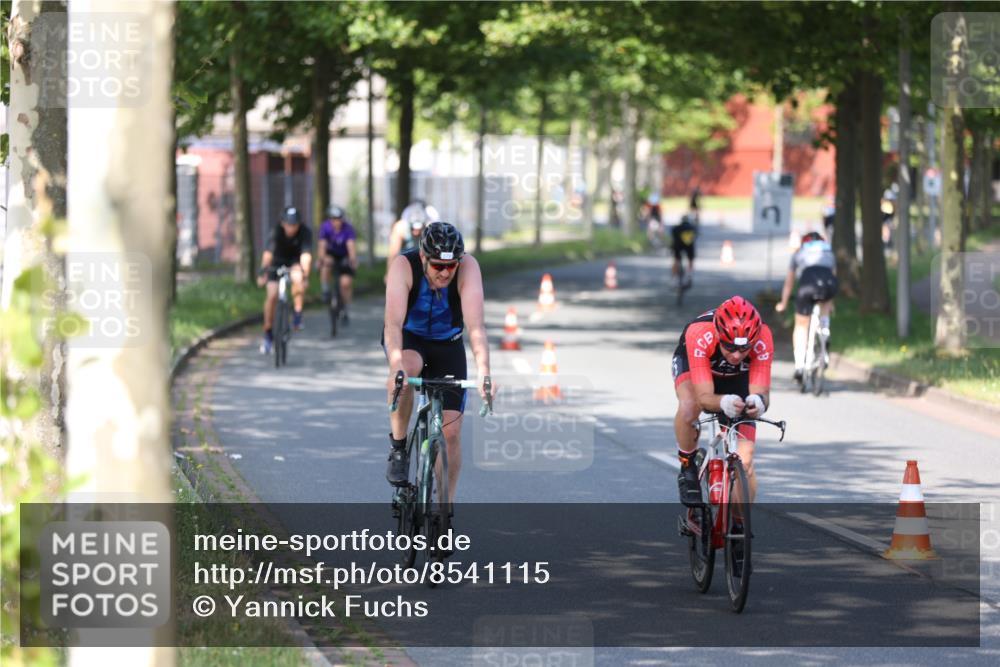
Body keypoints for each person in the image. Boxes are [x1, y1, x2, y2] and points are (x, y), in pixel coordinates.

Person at [383, 222, 493, 505]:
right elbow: (393, 324)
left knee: (452, 432)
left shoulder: (468, 267)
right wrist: (396, 365)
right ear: (423, 258)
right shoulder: (404, 265)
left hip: (448, 344)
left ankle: (445, 508)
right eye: (437, 266)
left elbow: (476, 327)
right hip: (410, 338)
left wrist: (485, 372)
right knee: (406, 372)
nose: (445, 273)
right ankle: (398, 447)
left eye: (451, 266)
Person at [672, 296, 774, 506]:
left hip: (737, 377)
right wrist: (725, 403)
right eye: (730, 347)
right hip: (698, 368)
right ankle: (688, 466)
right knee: (690, 406)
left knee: (745, 459)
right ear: (719, 335)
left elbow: (762, 393)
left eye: (744, 349)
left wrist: (758, 402)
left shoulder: (763, 337)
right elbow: (704, 398)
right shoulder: (700, 333)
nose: (737, 355)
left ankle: (737, 522)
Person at [775, 231, 838, 384]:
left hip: (808, 282)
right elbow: (833, 276)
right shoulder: (829, 252)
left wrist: (783, 303)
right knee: (824, 311)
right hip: (828, 283)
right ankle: (825, 331)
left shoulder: (799, 252)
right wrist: (831, 304)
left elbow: (789, 283)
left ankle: (799, 366)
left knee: (801, 325)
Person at [257, 206, 313, 353]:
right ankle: (268, 333)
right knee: (272, 296)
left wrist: (305, 275)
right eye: (289, 224)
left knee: (298, 278)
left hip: (294, 262)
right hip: (276, 263)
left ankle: (298, 314)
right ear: (283, 223)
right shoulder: (276, 232)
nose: (292, 228)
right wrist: (263, 272)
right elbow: (268, 253)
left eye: (295, 224)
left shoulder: (305, 232)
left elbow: (306, 256)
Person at [318, 205, 358, 333]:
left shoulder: (348, 229)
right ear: (330, 219)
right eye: (334, 219)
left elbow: (351, 246)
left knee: (345, 283)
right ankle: (325, 290)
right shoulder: (325, 227)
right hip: (331, 255)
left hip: (344, 256)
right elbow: (322, 246)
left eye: (339, 219)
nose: (337, 221)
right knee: (325, 266)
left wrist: (352, 260)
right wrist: (322, 258)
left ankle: (345, 307)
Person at [386, 200, 440, 273]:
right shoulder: (400, 228)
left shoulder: (432, 229)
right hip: (405, 259)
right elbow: (393, 253)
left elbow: (437, 253)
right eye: (413, 228)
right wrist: (389, 273)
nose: (416, 232)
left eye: (419, 229)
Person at [670, 212, 698, 285]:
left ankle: (674, 278)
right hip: (688, 246)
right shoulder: (692, 227)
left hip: (678, 245)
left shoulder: (676, 228)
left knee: (676, 260)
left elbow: (673, 236)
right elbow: (695, 236)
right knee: (690, 259)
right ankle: (689, 274)